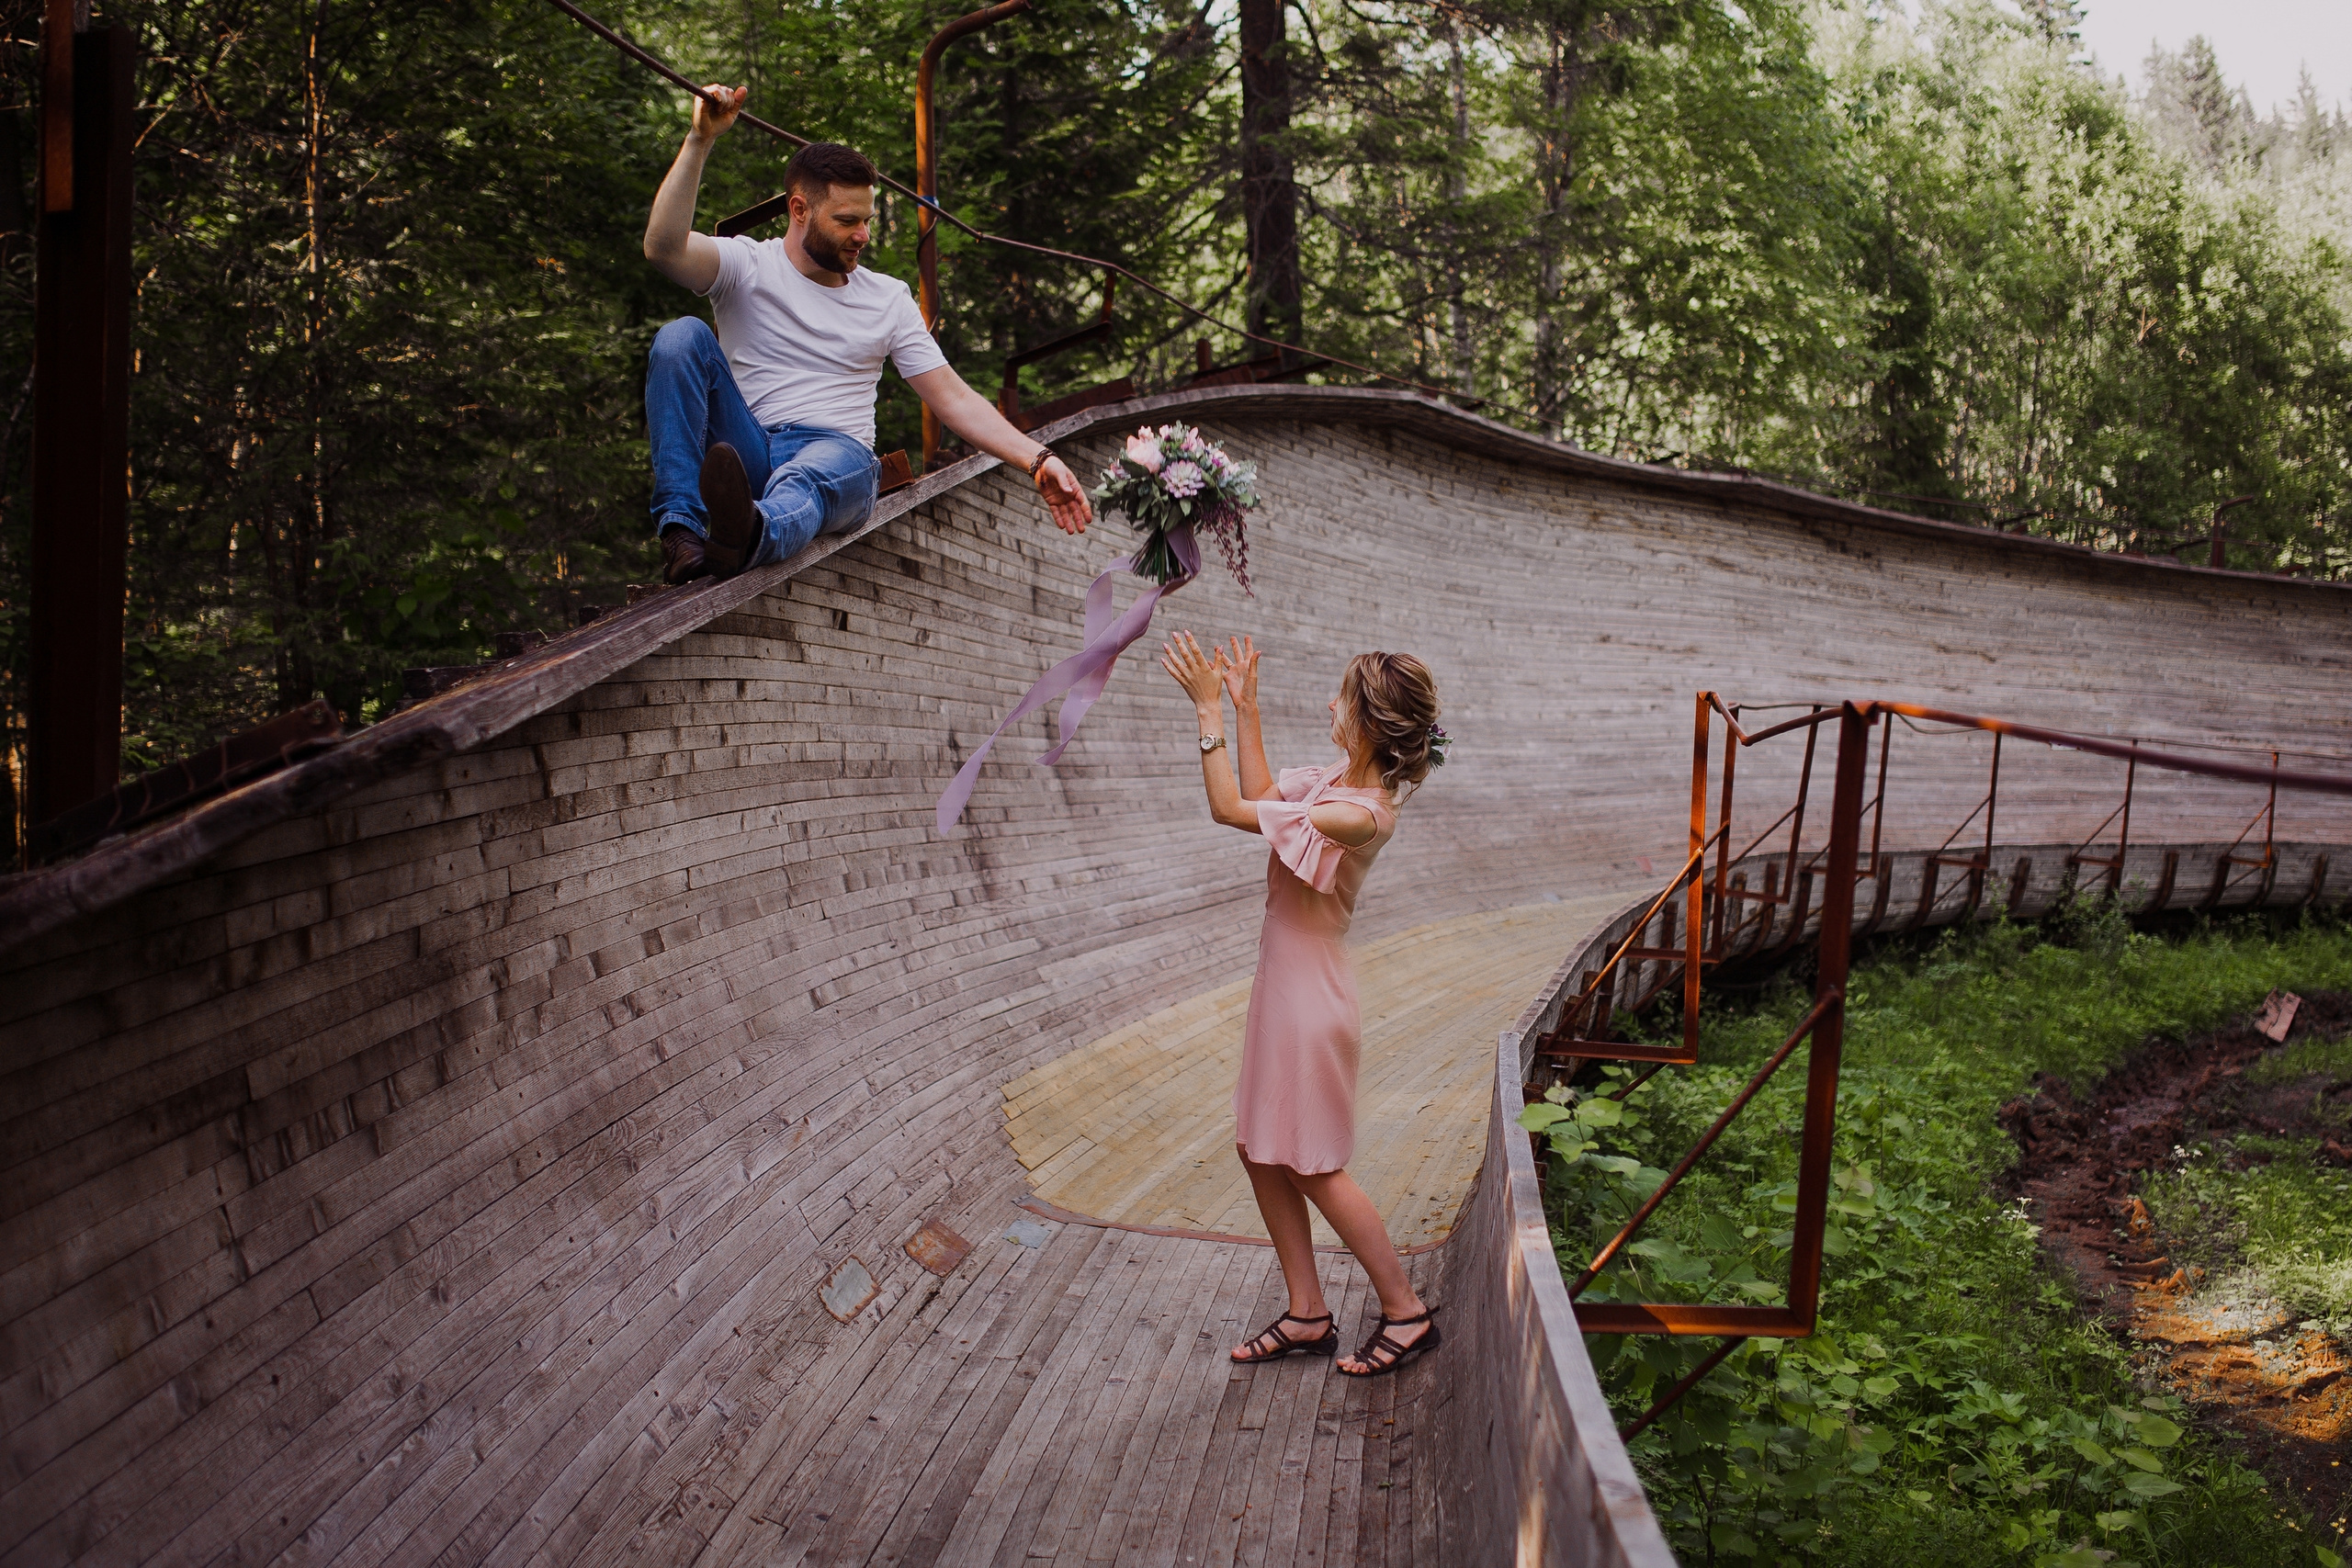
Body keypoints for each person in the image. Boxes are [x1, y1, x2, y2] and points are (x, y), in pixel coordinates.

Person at [640, 85, 1094, 585]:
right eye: (847, 221)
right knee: (680, 337)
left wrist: (1038, 459)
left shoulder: (887, 299)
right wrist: (699, 140)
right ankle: (683, 535)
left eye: (867, 221)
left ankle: (750, 534)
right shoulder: (745, 265)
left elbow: (954, 399)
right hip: (748, 444)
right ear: (799, 210)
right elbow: (663, 250)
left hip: (836, 457)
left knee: (815, 474)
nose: (863, 235)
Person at [1159, 631, 1444, 1377]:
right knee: (1259, 1148)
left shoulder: (1362, 812)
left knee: (1314, 1165)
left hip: (1311, 1003)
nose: (1329, 703)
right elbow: (1260, 797)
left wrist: (1207, 709)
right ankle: (1308, 1312)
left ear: (1371, 720)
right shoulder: (1332, 783)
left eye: (1342, 698)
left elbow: (1228, 808)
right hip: (1280, 989)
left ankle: (1406, 1312)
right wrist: (1247, 709)